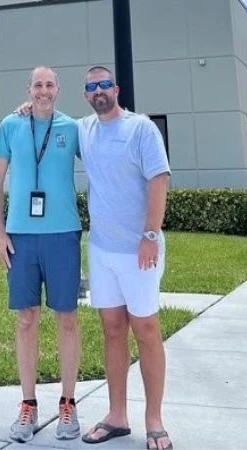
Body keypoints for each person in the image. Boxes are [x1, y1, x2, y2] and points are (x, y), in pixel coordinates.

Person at [76, 66, 173, 450]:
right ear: (86, 95)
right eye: (91, 87)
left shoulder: (141, 129)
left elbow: (159, 179)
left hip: (139, 250)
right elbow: (51, 121)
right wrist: (28, 107)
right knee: (113, 329)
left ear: (116, 89)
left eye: (104, 84)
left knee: (146, 329)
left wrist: (150, 235)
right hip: (101, 250)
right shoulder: (83, 129)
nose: (99, 90)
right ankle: (117, 415)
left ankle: (154, 420)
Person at [0, 66, 83, 443]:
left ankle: (68, 404)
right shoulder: (11, 125)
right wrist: (0, 233)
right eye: (37, 85)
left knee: (67, 318)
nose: (43, 91)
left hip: (63, 235)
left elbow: (104, 151)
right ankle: (28, 405)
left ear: (58, 90)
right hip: (21, 237)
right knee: (26, 319)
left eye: (49, 85)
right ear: (29, 90)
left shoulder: (72, 128)